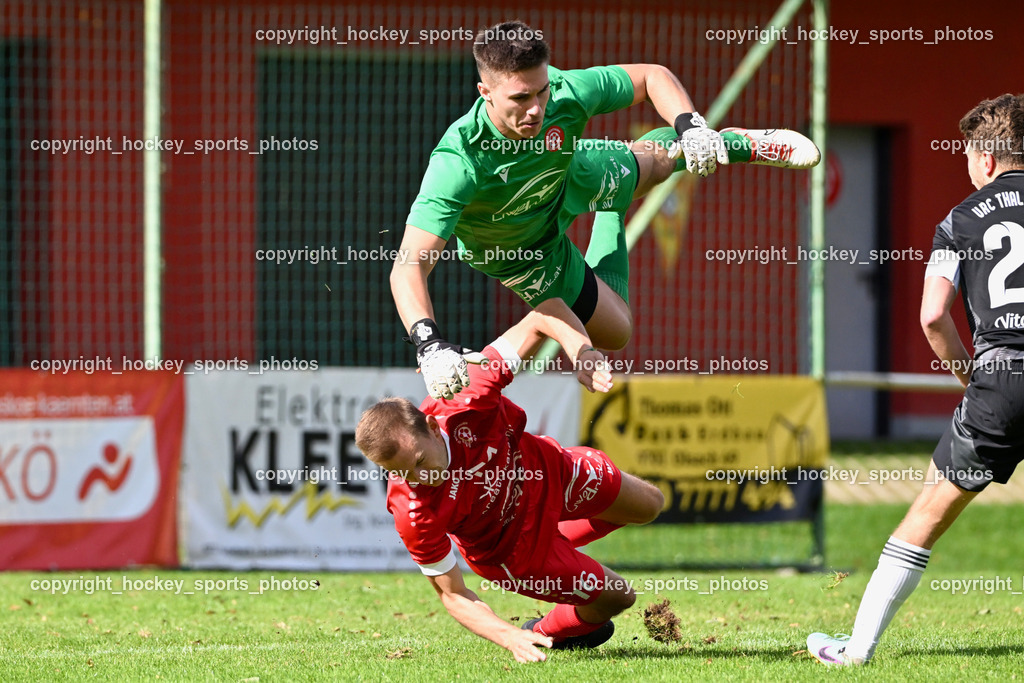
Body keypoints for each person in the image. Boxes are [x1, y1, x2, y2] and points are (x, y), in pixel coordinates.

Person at [393, 19, 821, 400]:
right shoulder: (458, 162)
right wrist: (429, 344)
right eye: (521, 97)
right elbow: (409, 265)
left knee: (659, 164)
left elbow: (652, 76)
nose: (537, 109)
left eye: (542, 90)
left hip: (570, 176)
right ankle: (613, 205)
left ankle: (737, 143)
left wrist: (690, 125)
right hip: (521, 252)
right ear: (485, 92)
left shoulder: (566, 92)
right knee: (617, 332)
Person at [807, 93, 1024, 666]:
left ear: (985, 158)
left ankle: (857, 651)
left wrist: (972, 376)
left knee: (927, 511)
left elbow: (932, 317)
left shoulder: (960, 219)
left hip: (1000, 383)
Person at [355, 308, 665, 663]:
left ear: (433, 427)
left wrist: (582, 352)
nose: (420, 478)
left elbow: (543, 316)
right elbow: (453, 594)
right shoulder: (413, 513)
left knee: (650, 505)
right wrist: (509, 635)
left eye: (421, 462)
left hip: (549, 472)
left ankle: (558, 536)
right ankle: (543, 631)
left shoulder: (465, 394)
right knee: (619, 597)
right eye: (402, 474)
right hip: (515, 551)